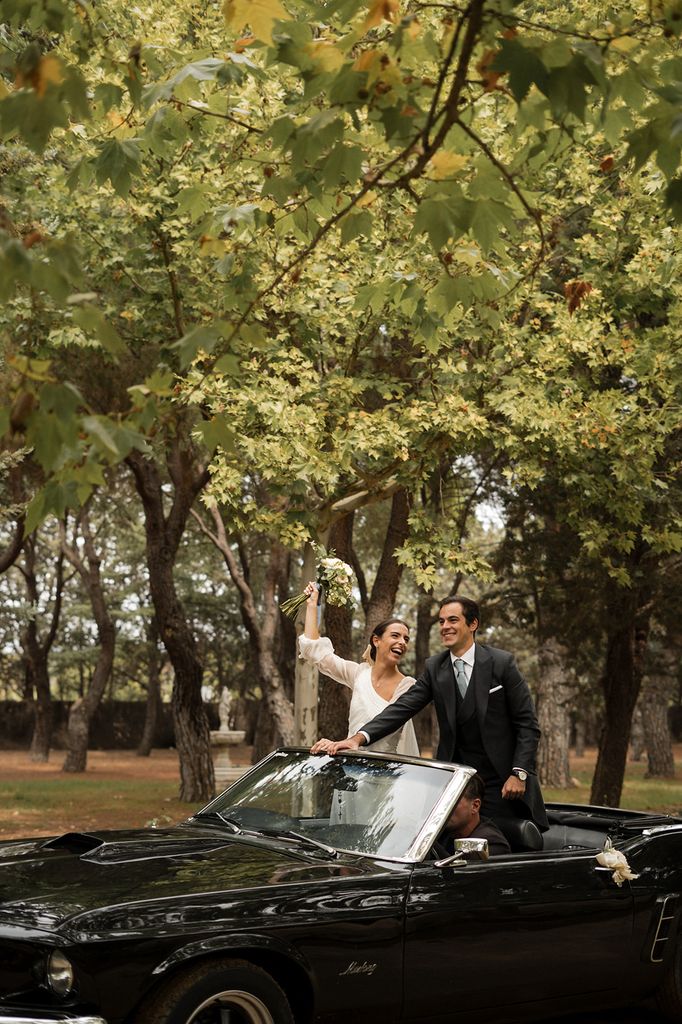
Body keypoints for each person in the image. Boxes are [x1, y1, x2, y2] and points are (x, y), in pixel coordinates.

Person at [311, 594, 548, 831]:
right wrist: (356, 739)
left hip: (504, 781)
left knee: (500, 847)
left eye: (452, 620)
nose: (445, 627)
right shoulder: (436, 667)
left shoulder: (501, 663)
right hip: (459, 782)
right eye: (442, 621)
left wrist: (520, 773)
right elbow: (401, 709)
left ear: (472, 624)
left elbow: (527, 723)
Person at [300, 582, 419, 756]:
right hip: (353, 768)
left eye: (406, 639)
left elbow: (386, 727)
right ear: (376, 641)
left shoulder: (408, 686)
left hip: (386, 772)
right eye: (395, 636)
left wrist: (345, 742)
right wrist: (312, 605)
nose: (402, 642)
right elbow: (315, 651)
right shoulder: (359, 674)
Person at [434, 773, 511, 857]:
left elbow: (458, 868)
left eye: (451, 801)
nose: (443, 808)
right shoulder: (443, 833)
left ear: (475, 806)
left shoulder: (490, 844)